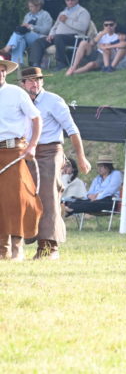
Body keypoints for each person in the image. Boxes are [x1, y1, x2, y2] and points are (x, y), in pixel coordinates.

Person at [20, 67, 90, 259]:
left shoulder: (54, 100)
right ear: (23, 84)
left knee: (47, 196)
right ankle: (12, 245)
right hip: (24, 152)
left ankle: (49, 247)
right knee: (18, 196)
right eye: (30, 80)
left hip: (50, 152)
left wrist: (81, 157)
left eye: (38, 80)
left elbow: (72, 130)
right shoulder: (20, 100)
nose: (35, 84)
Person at [0, 60, 43, 261]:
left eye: (2, 70)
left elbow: (36, 118)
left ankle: (17, 246)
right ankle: (2, 249)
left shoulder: (17, 93)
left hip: (14, 151)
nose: (1, 73)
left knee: (17, 199)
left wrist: (32, 145)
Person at [28, 0, 91, 71]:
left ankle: (61, 63)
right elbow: (55, 26)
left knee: (59, 37)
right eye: (67, 0)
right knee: (39, 41)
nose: (70, 2)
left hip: (75, 37)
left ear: (77, 0)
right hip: (59, 37)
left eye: (72, 0)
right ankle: (36, 64)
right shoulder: (63, 12)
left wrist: (67, 20)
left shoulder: (82, 12)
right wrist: (51, 34)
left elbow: (83, 27)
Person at [0, 0, 53, 64]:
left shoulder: (45, 15)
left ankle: (7, 48)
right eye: (29, 6)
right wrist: (25, 27)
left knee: (21, 31)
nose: (30, 8)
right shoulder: (27, 16)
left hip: (40, 38)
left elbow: (46, 30)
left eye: (32, 6)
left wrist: (32, 27)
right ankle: (17, 64)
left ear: (38, 6)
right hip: (26, 37)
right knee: (20, 41)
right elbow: (22, 31)